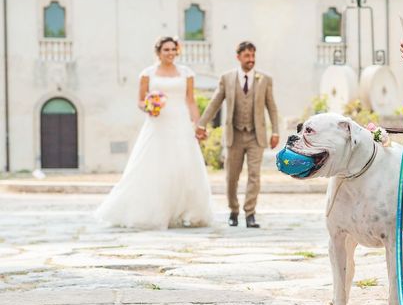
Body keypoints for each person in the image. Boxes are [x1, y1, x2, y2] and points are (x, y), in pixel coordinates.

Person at [96, 36, 214, 230]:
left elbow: (190, 101)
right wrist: (149, 107)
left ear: (177, 51)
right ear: (158, 52)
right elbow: (140, 101)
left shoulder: (187, 73)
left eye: (173, 49)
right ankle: (153, 211)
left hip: (180, 123)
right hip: (157, 124)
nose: (170, 53)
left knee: (184, 166)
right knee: (155, 166)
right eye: (166, 50)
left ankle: (189, 212)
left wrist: (198, 124)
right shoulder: (147, 74)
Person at [196, 41, 279, 229]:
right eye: (247, 56)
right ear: (238, 57)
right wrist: (202, 123)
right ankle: (233, 210)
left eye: (253, 56)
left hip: (256, 136)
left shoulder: (264, 79)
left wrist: (275, 131)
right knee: (231, 176)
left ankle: (250, 213)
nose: (251, 60)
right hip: (234, 135)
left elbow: (271, 107)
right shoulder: (227, 78)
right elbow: (215, 103)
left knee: (254, 175)